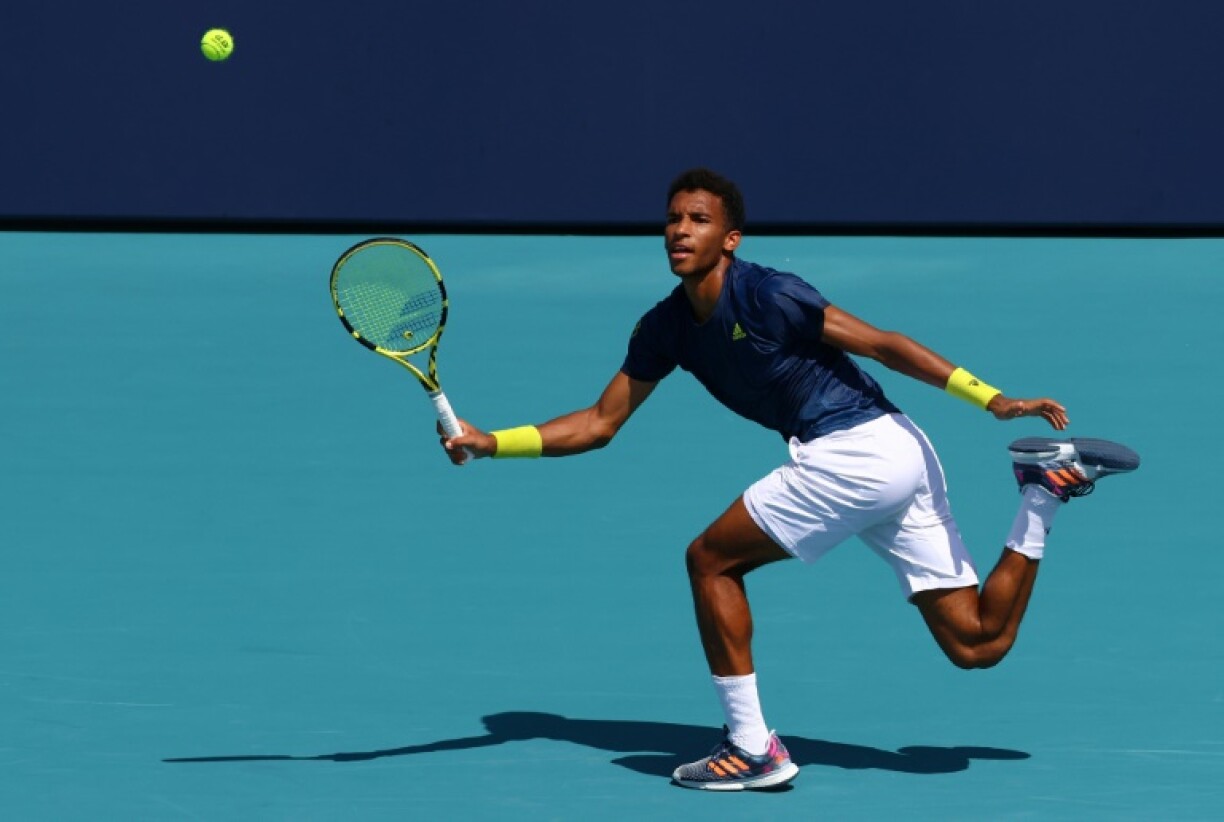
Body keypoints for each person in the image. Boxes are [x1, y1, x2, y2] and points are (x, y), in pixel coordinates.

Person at [440, 168, 1139, 792]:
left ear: (732, 238)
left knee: (710, 559)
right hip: (896, 455)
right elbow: (597, 423)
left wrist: (992, 398)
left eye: (699, 220)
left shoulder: (769, 294)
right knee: (977, 642)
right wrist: (490, 442)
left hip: (857, 452)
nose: (680, 231)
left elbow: (884, 345)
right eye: (673, 219)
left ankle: (751, 747)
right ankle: (1042, 493)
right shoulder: (664, 328)